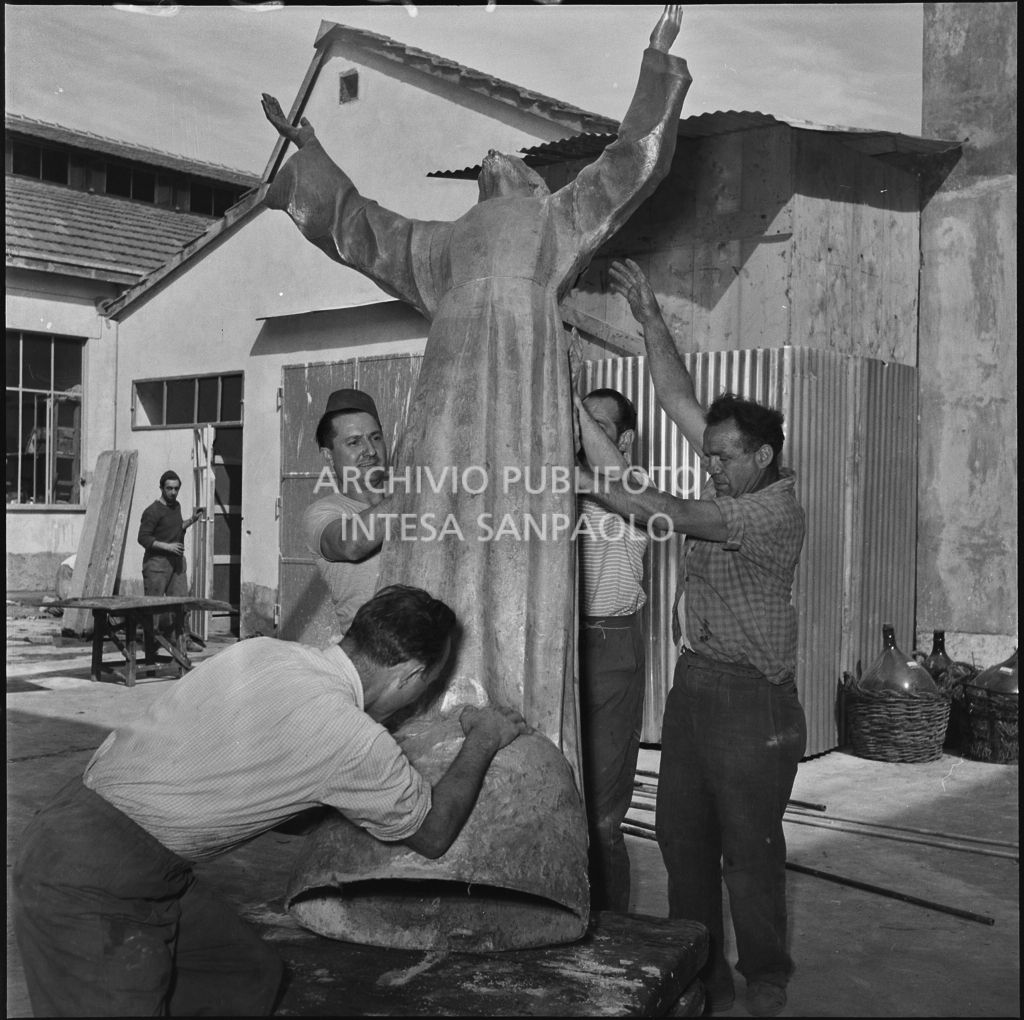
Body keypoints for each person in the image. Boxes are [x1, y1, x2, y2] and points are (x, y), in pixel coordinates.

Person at [260, 6, 690, 764]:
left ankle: (506, 721)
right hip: (451, 420)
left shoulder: (553, 220)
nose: (497, 157)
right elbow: (362, 228)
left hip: (522, 412)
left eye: (513, 162)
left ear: (528, 183)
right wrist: (311, 160)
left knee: (509, 550)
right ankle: (438, 716)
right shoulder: (445, 245)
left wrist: (655, 65)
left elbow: (629, 164)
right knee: (445, 554)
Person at [12, 585, 529, 1017]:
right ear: (411, 674)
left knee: (242, 977)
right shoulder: (354, 739)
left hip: (87, 826)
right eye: (424, 687)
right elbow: (434, 833)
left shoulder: (259, 651)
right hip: (90, 878)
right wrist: (483, 737)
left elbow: (250, 782)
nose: (415, 702)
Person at [576, 258, 807, 1018]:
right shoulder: (733, 473)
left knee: (750, 852)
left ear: (763, 458)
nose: (710, 466)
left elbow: (666, 514)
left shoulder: (772, 510)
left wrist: (597, 472)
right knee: (682, 844)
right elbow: (676, 396)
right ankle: (699, 975)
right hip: (695, 687)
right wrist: (648, 317)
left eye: (722, 457)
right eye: (708, 455)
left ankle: (765, 977)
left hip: (755, 704)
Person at [575, 387, 650, 912]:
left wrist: (572, 404)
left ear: (622, 439)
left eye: (596, 427)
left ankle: (613, 932)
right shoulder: (568, 482)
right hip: (561, 641)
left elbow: (615, 478)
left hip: (610, 646)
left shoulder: (638, 487)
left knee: (601, 817)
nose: (581, 436)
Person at [305, 387, 396, 638]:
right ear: (328, 456)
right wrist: (413, 495)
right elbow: (351, 544)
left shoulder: (408, 497)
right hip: (371, 658)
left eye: (375, 437)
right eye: (354, 442)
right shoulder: (323, 513)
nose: (370, 450)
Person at [137, 469, 203, 599]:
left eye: (176, 489)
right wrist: (168, 546)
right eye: (169, 488)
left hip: (177, 563)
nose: (173, 492)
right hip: (157, 564)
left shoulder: (176, 506)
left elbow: (176, 528)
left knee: (180, 606)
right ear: (161, 488)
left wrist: (191, 520)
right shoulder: (152, 511)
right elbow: (143, 538)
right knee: (153, 607)